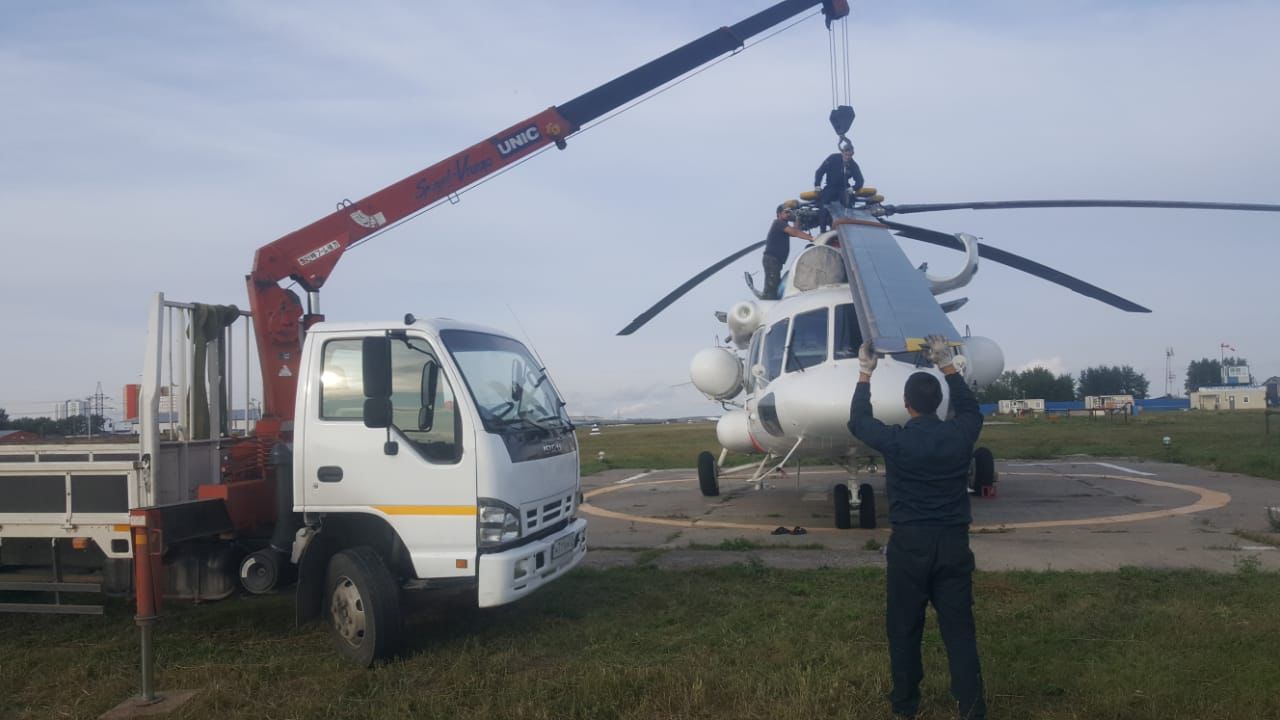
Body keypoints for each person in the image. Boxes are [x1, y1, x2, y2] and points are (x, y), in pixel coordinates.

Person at [847, 335, 987, 720]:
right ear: (938, 403)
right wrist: (947, 365)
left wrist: (865, 372)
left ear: (907, 406)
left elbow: (858, 422)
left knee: (904, 631)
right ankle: (972, 709)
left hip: (910, 547)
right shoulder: (961, 434)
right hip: (954, 544)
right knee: (959, 631)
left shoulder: (897, 441)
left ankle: (906, 707)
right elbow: (971, 409)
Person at [761, 204, 814, 300]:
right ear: (779, 214)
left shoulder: (783, 226)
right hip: (771, 259)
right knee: (772, 286)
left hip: (775, 261)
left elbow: (795, 231)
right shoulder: (778, 223)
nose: (789, 214)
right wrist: (811, 238)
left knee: (775, 283)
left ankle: (770, 296)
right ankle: (767, 299)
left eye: (790, 212)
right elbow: (796, 233)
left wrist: (797, 219)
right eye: (786, 212)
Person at [813, 141, 865, 210]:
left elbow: (860, 180)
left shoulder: (853, 165)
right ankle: (823, 219)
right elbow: (820, 171)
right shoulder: (832, 158)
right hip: (830, 187)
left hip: (844, 189)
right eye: (846, 154)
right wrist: (817, 185)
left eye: (850, 155)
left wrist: (853, 188)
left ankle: (849, 218)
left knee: (847, 202)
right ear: (842, 152)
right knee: (824, 203)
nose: (848, 157)